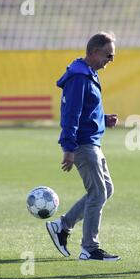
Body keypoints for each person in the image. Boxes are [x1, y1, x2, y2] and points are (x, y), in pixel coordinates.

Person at [46, 32, 120, 262]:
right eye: (109, 55)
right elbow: (71, 114)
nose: (110, 60)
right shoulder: (79, 77)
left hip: (91, 141)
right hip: (83, 145)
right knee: (98, 193)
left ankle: (63, 225)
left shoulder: (86, 73)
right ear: (94, 52)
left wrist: (103, 119)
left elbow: (85, 109)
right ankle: (90, 247)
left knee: (105, 190)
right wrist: (68, 148)